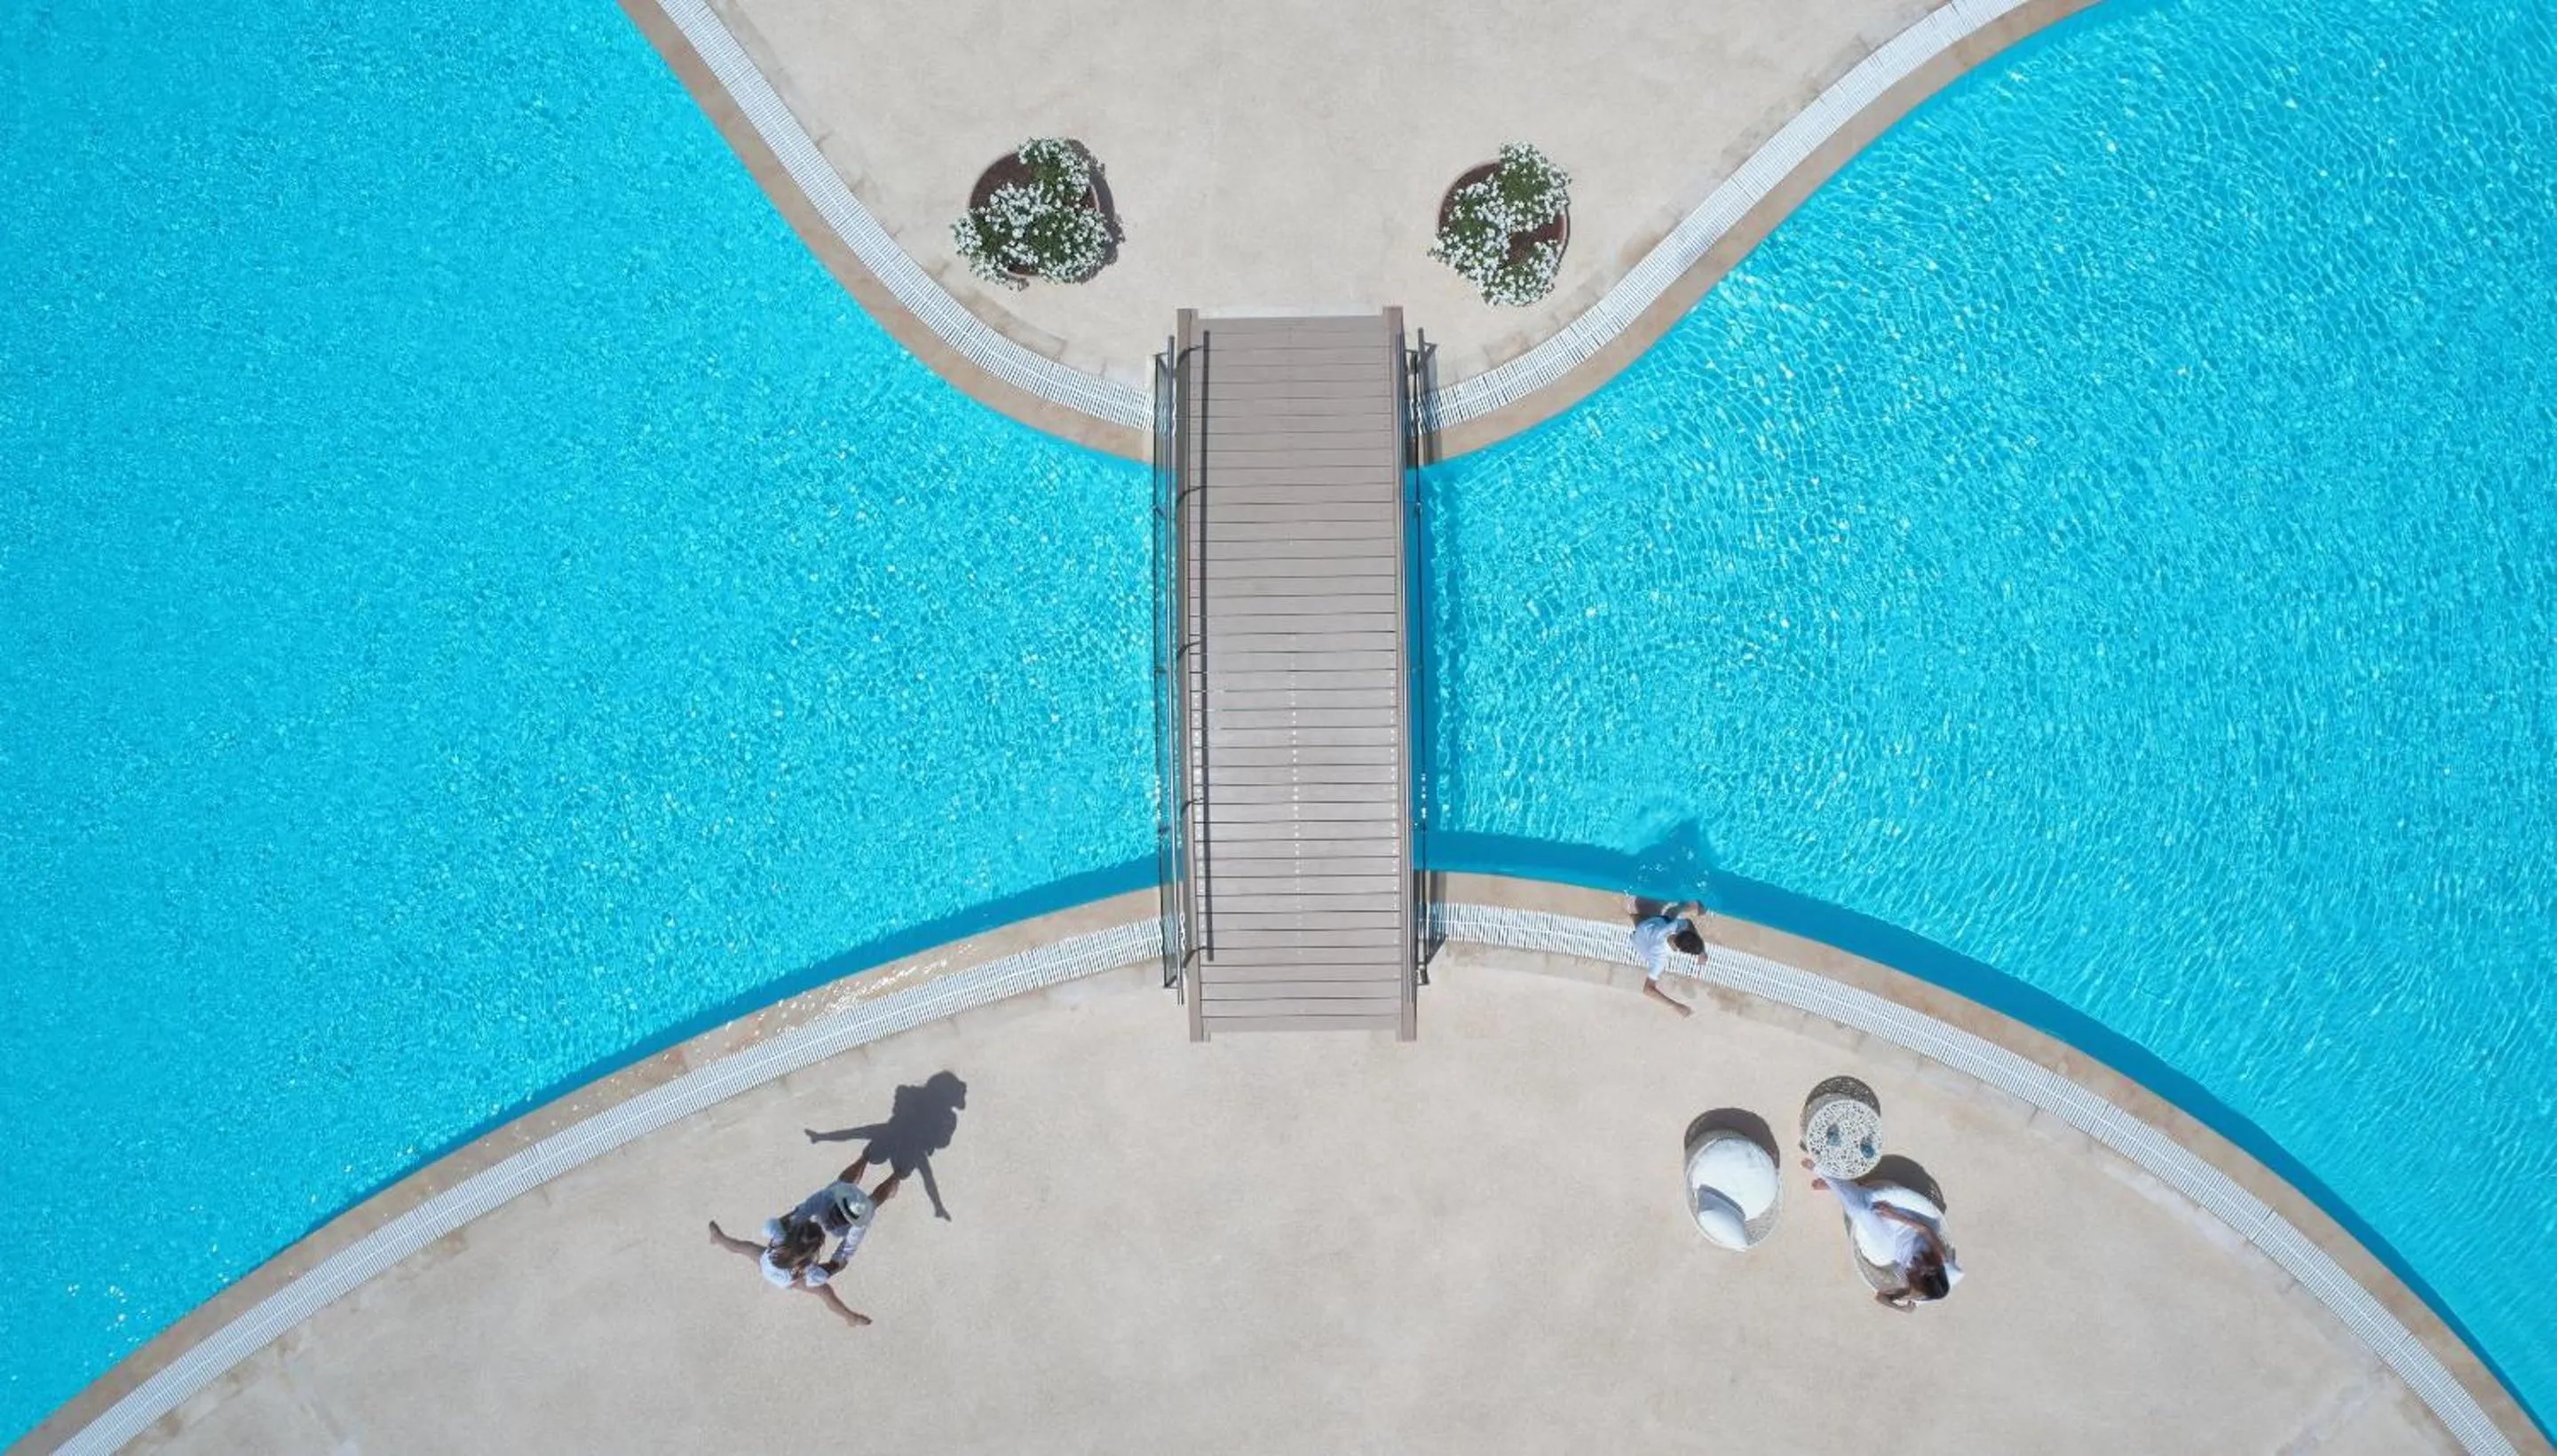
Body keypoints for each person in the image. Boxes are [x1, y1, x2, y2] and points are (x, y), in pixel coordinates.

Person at [709, 1158, 907, 1329]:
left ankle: (718, 1238)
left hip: (766, 1264)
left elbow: (775, 1224)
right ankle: (851, 1317)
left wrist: (790, 1221)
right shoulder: (809, 1270)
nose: (831, 1223)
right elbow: (837, 1263)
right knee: (827, 1294)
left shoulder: (780, 1236)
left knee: (742, 1246)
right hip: (789, 1281)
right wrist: (832, 1267)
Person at [1807, 1159, 1964, 1311]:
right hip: (1905, 1225)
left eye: (1924, 1275)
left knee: (1860, 1210)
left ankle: (1835, 1183)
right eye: (1932, 1270)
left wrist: (1901, 1308)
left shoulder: (1911, 1286)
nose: (1925, 1269)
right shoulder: (1940, 1257)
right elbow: (1924, 1230)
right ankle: (1830, 1179)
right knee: (1863, 1205)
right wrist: (1894, 1215)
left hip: (1890, 1244)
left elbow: (1880, 1298)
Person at [1629, 899, 1706, 1017]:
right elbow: (1648, 990)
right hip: (1640, 936)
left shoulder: (1676, 926)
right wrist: (1676, 1006)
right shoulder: (1660, 959)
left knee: (1670, 915)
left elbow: (1688, 923)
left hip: (1649, 928)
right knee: (1647, 915)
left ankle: (1688, 906)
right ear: (1682, 951)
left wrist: (1702, 951)